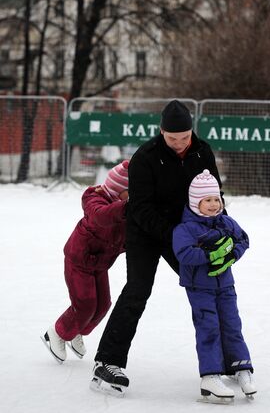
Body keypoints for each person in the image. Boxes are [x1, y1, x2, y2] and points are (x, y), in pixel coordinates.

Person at [91, 99, 223, 396]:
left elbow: (213, 192)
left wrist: (218, 226)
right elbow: (140, 208)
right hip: (146, 232)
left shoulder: (203, 151)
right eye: (172, 138)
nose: (178, 144)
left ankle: (221, 360)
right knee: (137, 290)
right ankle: (107, 362)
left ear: (192, 131)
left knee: (207, 285)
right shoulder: (145, 157)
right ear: (161, 131)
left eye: (184, 137)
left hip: (186, 232)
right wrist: (175, 234)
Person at [172, 169, 256, 403]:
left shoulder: (226, 222)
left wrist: (231, 256)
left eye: (216, 199)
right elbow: (184, 254)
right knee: (208, 327)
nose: (213, 204)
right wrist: (211, 254)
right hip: (200, 288)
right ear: (196, 202)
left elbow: (243, 239)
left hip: (226, 285)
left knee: (232, 324)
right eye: (207, 200)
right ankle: (210, 375)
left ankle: (241, 367)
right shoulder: (185, 229)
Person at [42, 160, 129, 363]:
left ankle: (77, 330)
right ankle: (57, 332)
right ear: (118, 191)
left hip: (100, 264)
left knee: (103, 305)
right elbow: (102, 217)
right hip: (79, 260)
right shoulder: (95, 199)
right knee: (85, 305)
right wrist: (127, 208)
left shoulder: (126, 210)